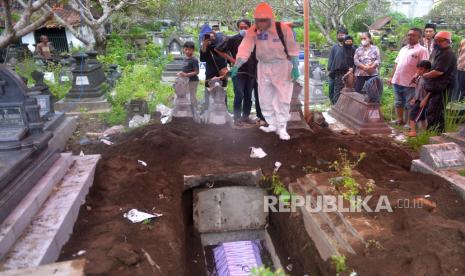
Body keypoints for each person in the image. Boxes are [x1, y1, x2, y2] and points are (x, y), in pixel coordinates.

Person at [232, 2, 299, 140]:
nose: (260, 24)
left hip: (281, 65)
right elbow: (245, 48)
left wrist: (295, 67)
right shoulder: (254, 30)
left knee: (283, 97)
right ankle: (272, 123)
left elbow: (293, 49)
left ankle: (282, 127)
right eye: (258, 20)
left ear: (271, 19)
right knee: (264, 97)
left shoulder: (283, 29)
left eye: (263, 20)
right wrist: (236, 66)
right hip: (263, 66)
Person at [215, 19, 258, 126]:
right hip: (238, 71)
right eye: (241, 27)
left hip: (251, 71)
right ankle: (237, 118)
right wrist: (232, 60)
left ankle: (246, 117)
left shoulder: (254, 39)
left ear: (250, 27)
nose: (243, 29)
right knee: (239, 94)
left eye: (245, 27)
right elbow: (218, 49)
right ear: (238, 28)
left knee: (248, 95)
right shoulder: (233, 39)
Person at [389, 28, 429, 126]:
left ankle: (409, 123)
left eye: (413, 35)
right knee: (398, 102)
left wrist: (416, 77)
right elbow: (396, 63)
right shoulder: (404, 48)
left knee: (410, 104)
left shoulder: (422, 50)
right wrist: (391, 77)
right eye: (409, 35)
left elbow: (424, 66)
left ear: (419, 37)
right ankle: (399, 119)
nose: (410, 37)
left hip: (410, 82)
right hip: (397, 80)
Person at [423, 31, 457, 132]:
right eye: (435, 40)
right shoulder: (440, 51)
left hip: (444, 88)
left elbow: (439, 72)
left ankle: (434, 133)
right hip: (437, 87)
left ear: (445, 41)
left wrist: (425, 75)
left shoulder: (448, 54)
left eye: (437, 40)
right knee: (432, 110)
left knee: (436, 111)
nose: (435, 42)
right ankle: (433, 132)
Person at [200, 31, 228, 109]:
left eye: (212, 38)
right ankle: (207, 110)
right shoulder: (206, 48)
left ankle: (224, 111)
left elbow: (227, 58)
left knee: (222, 93)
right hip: (210, 74)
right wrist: (204, 44)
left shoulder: (221, 47)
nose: (211, 40)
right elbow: (202, 58)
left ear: (216, 38)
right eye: (208, 38)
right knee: (208, 93)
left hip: (222, 74)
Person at [407, 60, 432, 137]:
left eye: (421, 69)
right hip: (418, 100)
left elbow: (430, 91)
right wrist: (414, 98)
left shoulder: (428, 79)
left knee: (412, 115)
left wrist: (425, 100)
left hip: (422, 101)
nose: (418, 71)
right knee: (422, 118)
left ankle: (413, 131)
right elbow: (418, 89)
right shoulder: (419, 77)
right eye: (417, 69)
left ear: (427, 70)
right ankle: (426, 132)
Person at [327, 28, 349, 104]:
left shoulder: (348, 47)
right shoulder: (334, 47)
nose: (340, 36)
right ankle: (332, 101)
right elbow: (331, 58)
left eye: (342, 35)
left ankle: (339, 103)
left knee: (341, 88)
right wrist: (329, 69)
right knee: (331, 86)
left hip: (344, 72)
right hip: (333, 71)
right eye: (339, 35)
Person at [178, 41, 199, 109]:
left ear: (193, 50)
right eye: (186, 49)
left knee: (192, 96)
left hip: (193, 81)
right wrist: (181, 73)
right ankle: (189, 109)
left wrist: (186, 74)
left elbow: (196, 72)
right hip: (185, 81)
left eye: (189, 50)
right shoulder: (184, 59)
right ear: (183, 49)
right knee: (186, 95)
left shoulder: (194, 60)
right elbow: (184, 70)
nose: (187, 51)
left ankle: (195, 110)